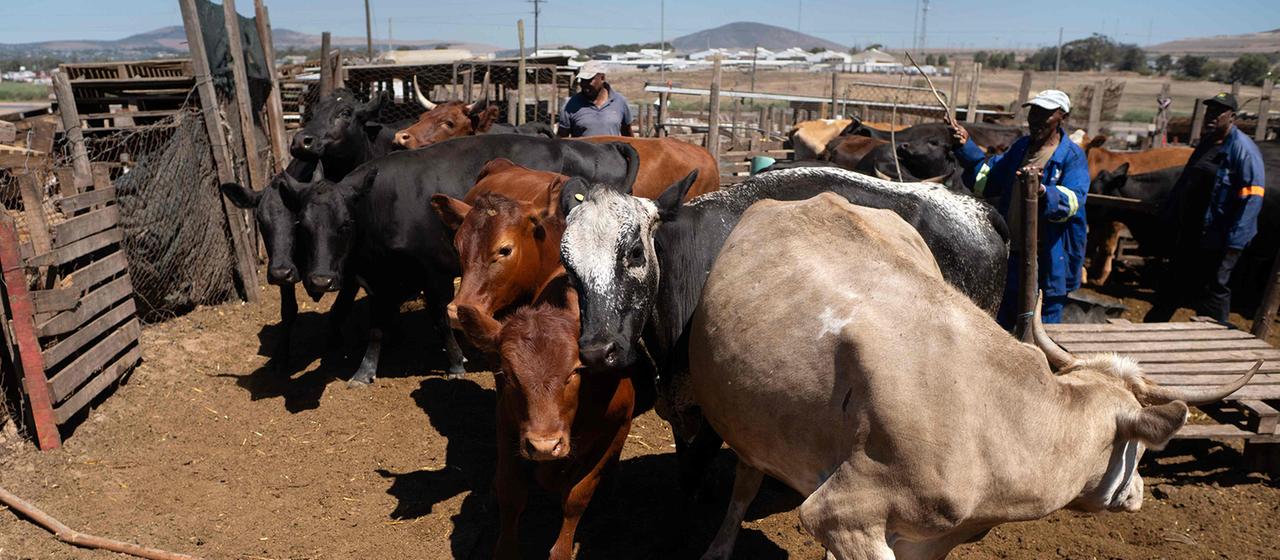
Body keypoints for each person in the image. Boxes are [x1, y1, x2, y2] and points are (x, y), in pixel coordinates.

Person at [950, 89, 1090, 327]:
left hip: (1048, 260)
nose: (1036, 120)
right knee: (1001, 328)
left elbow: (1074, 201)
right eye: (1034, 113)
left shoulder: (1072, 157)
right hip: (1012, 256)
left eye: (1045, 114)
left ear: (1062, 117)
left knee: (1042, 331)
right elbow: (988, 181)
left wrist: (1043, 192)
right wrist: (965, 147)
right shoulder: (1021, 148)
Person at [1144, 93, 1266, 324]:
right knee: (1173, 282)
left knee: (1214, 288)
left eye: (1218, 112)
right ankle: (1148, 331)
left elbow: (1252, 198)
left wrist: (1235, 241)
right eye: (1210, 111)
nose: (1212, 116)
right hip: (1193, 231)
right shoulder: (1206, 144)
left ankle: (1216, 336)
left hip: (1222, 235)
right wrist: (1170, 212)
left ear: (1232, 117)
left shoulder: (1243, 150)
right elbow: (1186, 182)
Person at [557, 61, 633, 138]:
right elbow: (561, 138)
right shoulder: (571, 105)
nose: (584, 84)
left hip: (612, 146)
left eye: (589, 80)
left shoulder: (620, 102)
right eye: (582, 80)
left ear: (602, 78)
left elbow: (628, 135)